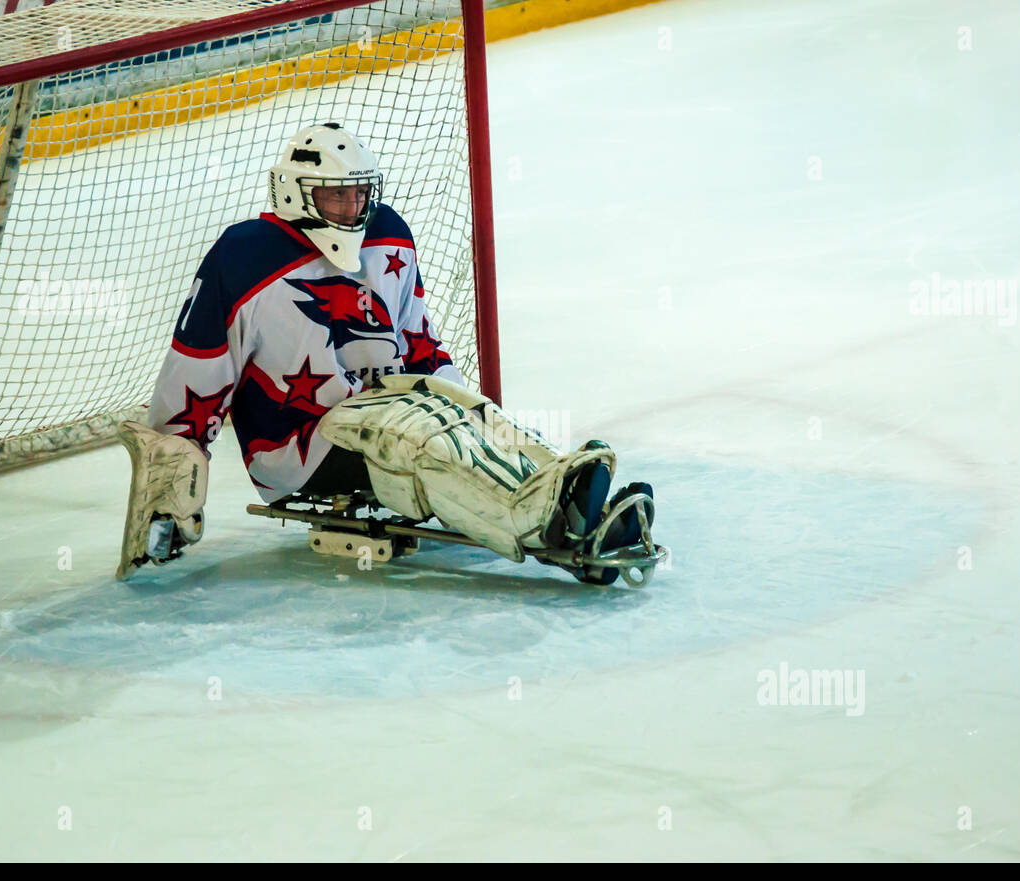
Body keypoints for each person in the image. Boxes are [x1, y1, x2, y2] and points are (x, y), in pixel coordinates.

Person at [117, 122, 654, 585]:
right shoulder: (244, 258)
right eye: (335, 196)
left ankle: (572, 492)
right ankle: (554, 526)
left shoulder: (388, 234)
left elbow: (418, 343)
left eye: (359, 194)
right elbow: (194, 379)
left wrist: (468, 406)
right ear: (293, 193)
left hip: (392, 404)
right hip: (299, 447)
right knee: (412, 437)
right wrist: (167, 501)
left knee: (460, 416)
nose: (353, 209)